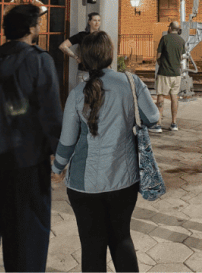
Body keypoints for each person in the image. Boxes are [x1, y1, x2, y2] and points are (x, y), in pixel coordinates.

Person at [51, 30, 160, 273]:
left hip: (84, 185)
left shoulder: (78, 94)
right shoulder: (131, 82)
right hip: (124, 180)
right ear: (110, 55)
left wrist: (57, 167)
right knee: (122, 239)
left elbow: (67, 141)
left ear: (85, 59)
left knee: (91, 247)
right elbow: (153, 118)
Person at [0, 3, 63, 273]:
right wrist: (59, 154)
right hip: (26, 159)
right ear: (32, 29)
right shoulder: (38, 59)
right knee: (27, 236)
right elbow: (50, 112)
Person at [152, 20, 185, 132]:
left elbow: (158, 56)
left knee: (161, 96)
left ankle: (158, 124)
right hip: (177, 73)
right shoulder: (181, 40)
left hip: (164, 72)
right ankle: (174, 123)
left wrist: (161, 63)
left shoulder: (165, 39)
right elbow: (182, 57)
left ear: (170, 28)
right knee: (174, 97)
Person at [60, 11, 101, 82]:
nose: (97, 23)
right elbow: (63, 46)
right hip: (84, 73)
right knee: (81, 93)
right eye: (94, 20)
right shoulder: (82, 35)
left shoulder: (102, 37)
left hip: (98, 73)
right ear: (89, 22)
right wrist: (76, 57)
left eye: (99, 20)